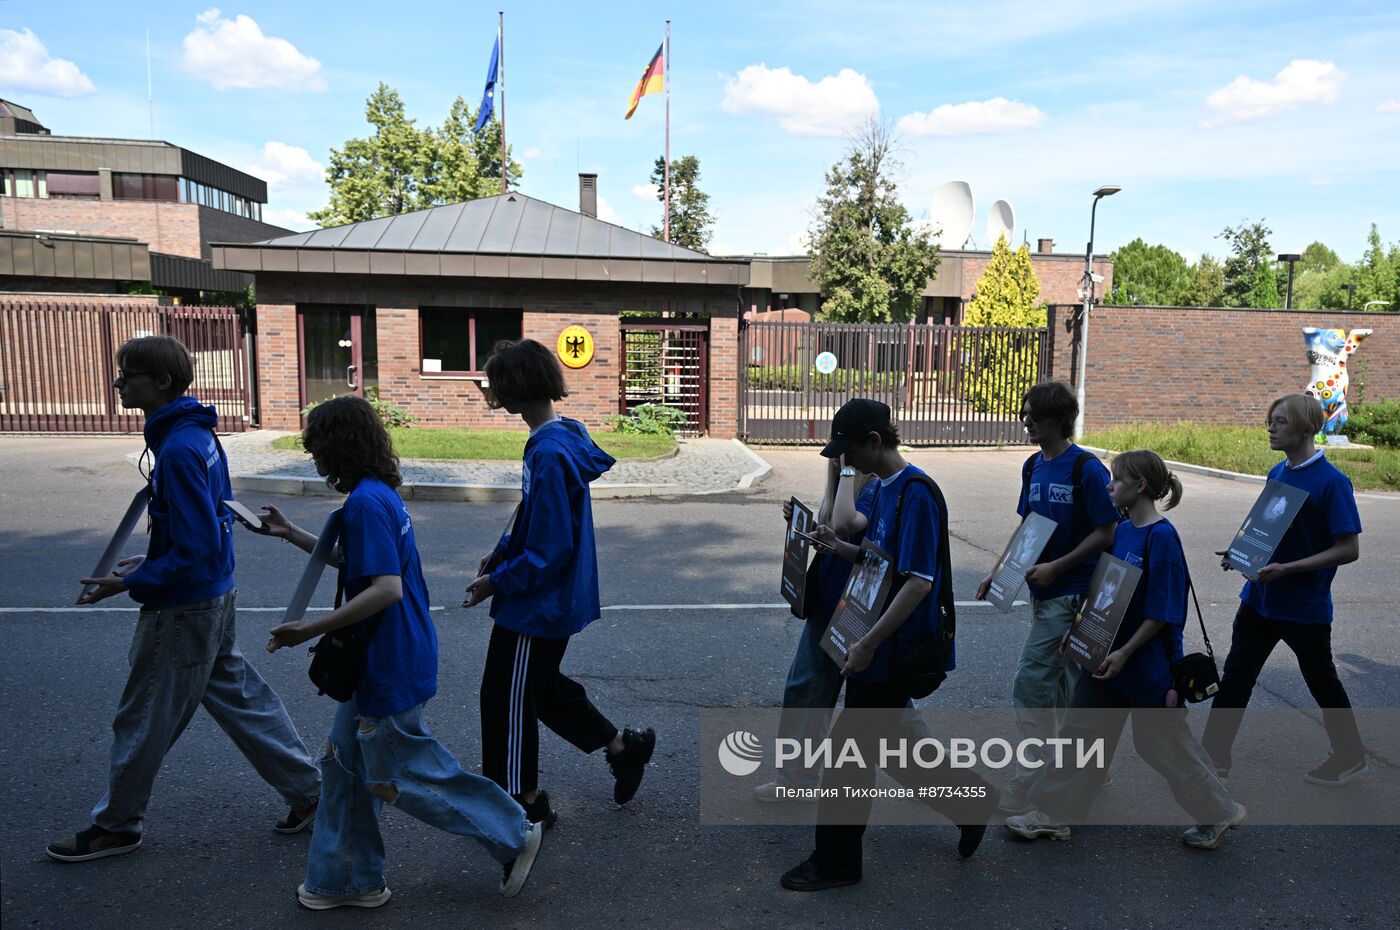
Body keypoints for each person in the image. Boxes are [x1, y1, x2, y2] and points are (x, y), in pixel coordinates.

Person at [262, 395, 542, 909]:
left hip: (387, 659)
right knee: (345, 767)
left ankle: (513, 833)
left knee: (401, 772)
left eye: (317, 447)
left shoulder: (366, 503)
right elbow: (361, 565)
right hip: (389, 653)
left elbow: (384, 588)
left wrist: (308, 629)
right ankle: (346, 880)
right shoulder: (377, 495)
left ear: (337, 448)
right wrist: (294, 535)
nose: (314, 458)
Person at [48, 336, 320, 864]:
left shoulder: (176, 449)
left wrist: (130, 582)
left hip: (184, 607)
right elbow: (205, 529)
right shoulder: (198, 436)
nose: (119, 382)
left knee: (144, 715)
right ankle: (313, 796)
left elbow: (194, 546)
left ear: (163, 382)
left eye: (128, 374)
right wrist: (145, 563)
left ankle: (116, 826)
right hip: (214, 596)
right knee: (243, 702)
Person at [781, 399, 996, 892]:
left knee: (848, 754)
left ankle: (836, 865)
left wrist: (869, 644)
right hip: (876, 642)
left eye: (849, 450)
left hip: (893, 649)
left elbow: (918, 582)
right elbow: (881, 560)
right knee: (894, 746)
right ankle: (970, 802)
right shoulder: (884, 487)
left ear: (874, 440)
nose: (845, 461)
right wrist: (838, 547)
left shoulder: (915, 494)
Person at [1005, 450, 1245, 850]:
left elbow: (1165, 611)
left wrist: (1126, 653)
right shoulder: (1123, 530)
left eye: (1116, 480)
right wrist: (1079, 631)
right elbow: (1104, 591)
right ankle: (1053, 814)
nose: (1109, 486)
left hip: (1144, 662)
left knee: (1161, 745)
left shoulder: (1161, 537)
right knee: (1080, 731)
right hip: (1104, 653)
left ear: (1140, 486)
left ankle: (1219, 810)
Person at [464, 339, 655, 828]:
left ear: (513, 392)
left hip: (537, 603)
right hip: (547, 596)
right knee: (540, 689)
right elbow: (537, 515)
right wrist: (503, 551)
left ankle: (522, 803)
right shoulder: (563, 433)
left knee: (506, 697)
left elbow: (551, 549)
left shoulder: (548, 450)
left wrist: (496, 581)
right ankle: (622, 747)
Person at [1202, 393, 1365, 786]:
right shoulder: (1278, 473)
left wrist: (1287, 569)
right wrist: (1240, 554)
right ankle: (1212, 759)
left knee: (1321, 681)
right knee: (1236, 677)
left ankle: (1349, 755)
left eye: (1280, 421)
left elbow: (1348, 549)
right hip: (1259, 600)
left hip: (1303, 607)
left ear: (1307, 427)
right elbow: (1267, 531)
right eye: (1270, 420)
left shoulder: (1332, 482)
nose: (1270, 427)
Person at [977, 381, 1118, 814]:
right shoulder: (1033, 466)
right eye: (1025, 413)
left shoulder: (1086, 470)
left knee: (1032, 682)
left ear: (1058, 419)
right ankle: (1081, 766)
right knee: (1062, 687)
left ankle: (1032, 776)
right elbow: (1028, 527)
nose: (1025, 421)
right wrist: (1001, 571)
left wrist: (1059, 567)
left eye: (1032, 415)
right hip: (1043, 592)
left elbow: (1106, 531)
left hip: (1073, 594)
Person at [753, 454, 879, 802]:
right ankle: (797, 777)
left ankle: (796, 778)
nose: (837, 460)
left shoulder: (870, 488)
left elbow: (844, 528)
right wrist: (803, 523)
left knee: (814, 691)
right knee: (808, 689)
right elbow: (833, 535)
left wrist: (848, 470)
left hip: (853, 608)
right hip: (835, 603)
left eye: (843, 452)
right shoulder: (847, 487)